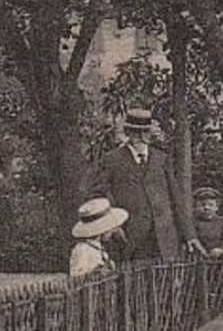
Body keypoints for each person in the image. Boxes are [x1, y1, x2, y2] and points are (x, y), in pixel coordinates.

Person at [85, 108, 205, 261]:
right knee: (134, 280)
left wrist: (189, 235)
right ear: (128, 132)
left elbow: (176, 198)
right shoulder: (112, 159)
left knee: (164, 281)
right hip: (130, 236)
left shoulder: (161, 159)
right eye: (135, 132)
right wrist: (112, 225)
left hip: (165, 236)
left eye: (145, 132)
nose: (141, 137)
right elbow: (96, 195)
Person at [68, 197, 128, 277]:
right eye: (109, 229)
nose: (111, 231)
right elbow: (76, 277)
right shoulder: (82, 250)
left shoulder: (97, 247)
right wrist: (96, 273)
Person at [192, 187, 223, 258]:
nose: (206, 208)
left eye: (210, 205)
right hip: (198, 258)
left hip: (220, 259)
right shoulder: (193, 222)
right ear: (196, 207)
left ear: (216, 208)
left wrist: (221, 250)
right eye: (203, 204)